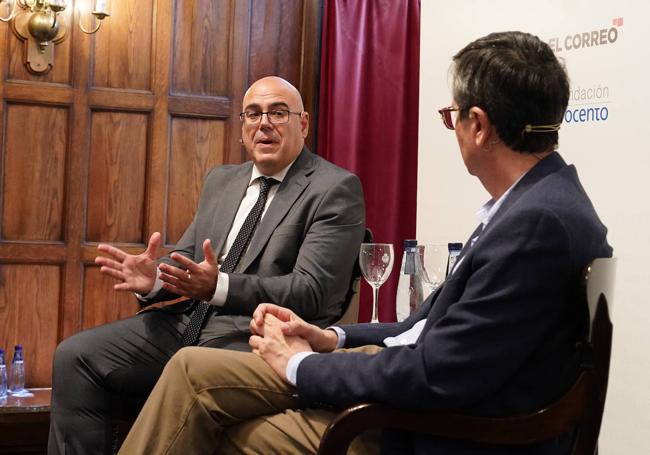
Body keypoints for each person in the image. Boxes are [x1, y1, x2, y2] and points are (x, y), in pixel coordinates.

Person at [118, 31, 613, 455]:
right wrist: (330, 339)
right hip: (415, 395)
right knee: (192, 373)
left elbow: (436, 373)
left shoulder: (537, 222)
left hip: (438, 430)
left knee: (220, 415)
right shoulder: (541, 204)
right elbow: (422, 331)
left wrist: (301, 365)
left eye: (452, 115)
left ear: (478, 125)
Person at [47, 76, 366, 455]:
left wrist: (220, 288)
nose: (264, 123)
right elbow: (188, 262)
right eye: (253, 114)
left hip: (252, 338)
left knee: (189, 364)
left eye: (278, 113)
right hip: (185, 323)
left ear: (303, 123)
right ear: (243, 129)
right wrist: (153, 279)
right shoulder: (222, 180)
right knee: (75, 355)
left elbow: (311, 292)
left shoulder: (333, 188)